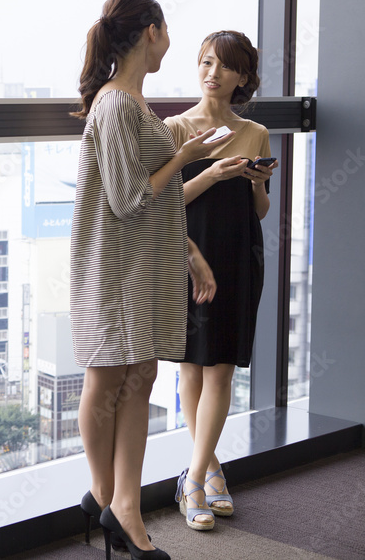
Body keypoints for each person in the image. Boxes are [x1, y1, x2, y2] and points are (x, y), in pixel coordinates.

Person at [70, 0, 225, 560]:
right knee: (108, 379)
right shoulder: (116, 105)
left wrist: (191, 251)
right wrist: (186, 156)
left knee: (140, 379)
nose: (172, 44)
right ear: (152, 31)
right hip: (113, 270)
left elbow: (157, 201)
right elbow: (130, 198)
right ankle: (106, 495)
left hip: (142, 265)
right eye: (169, 31)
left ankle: (122, 506)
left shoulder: (133, 104)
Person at [163, 30, 276, 530]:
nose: (212, 73)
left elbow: (263, 211)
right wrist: (212, 173)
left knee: (222, 365)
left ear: (242, 77)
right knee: (192, 365)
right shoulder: (174, 128)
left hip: (239, 252)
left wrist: (254, 183)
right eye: (206, 62)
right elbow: (163, 204)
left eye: (224, 66)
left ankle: (203, 469)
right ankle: (202, 476)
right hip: (192, 253)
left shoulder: (255, 132)